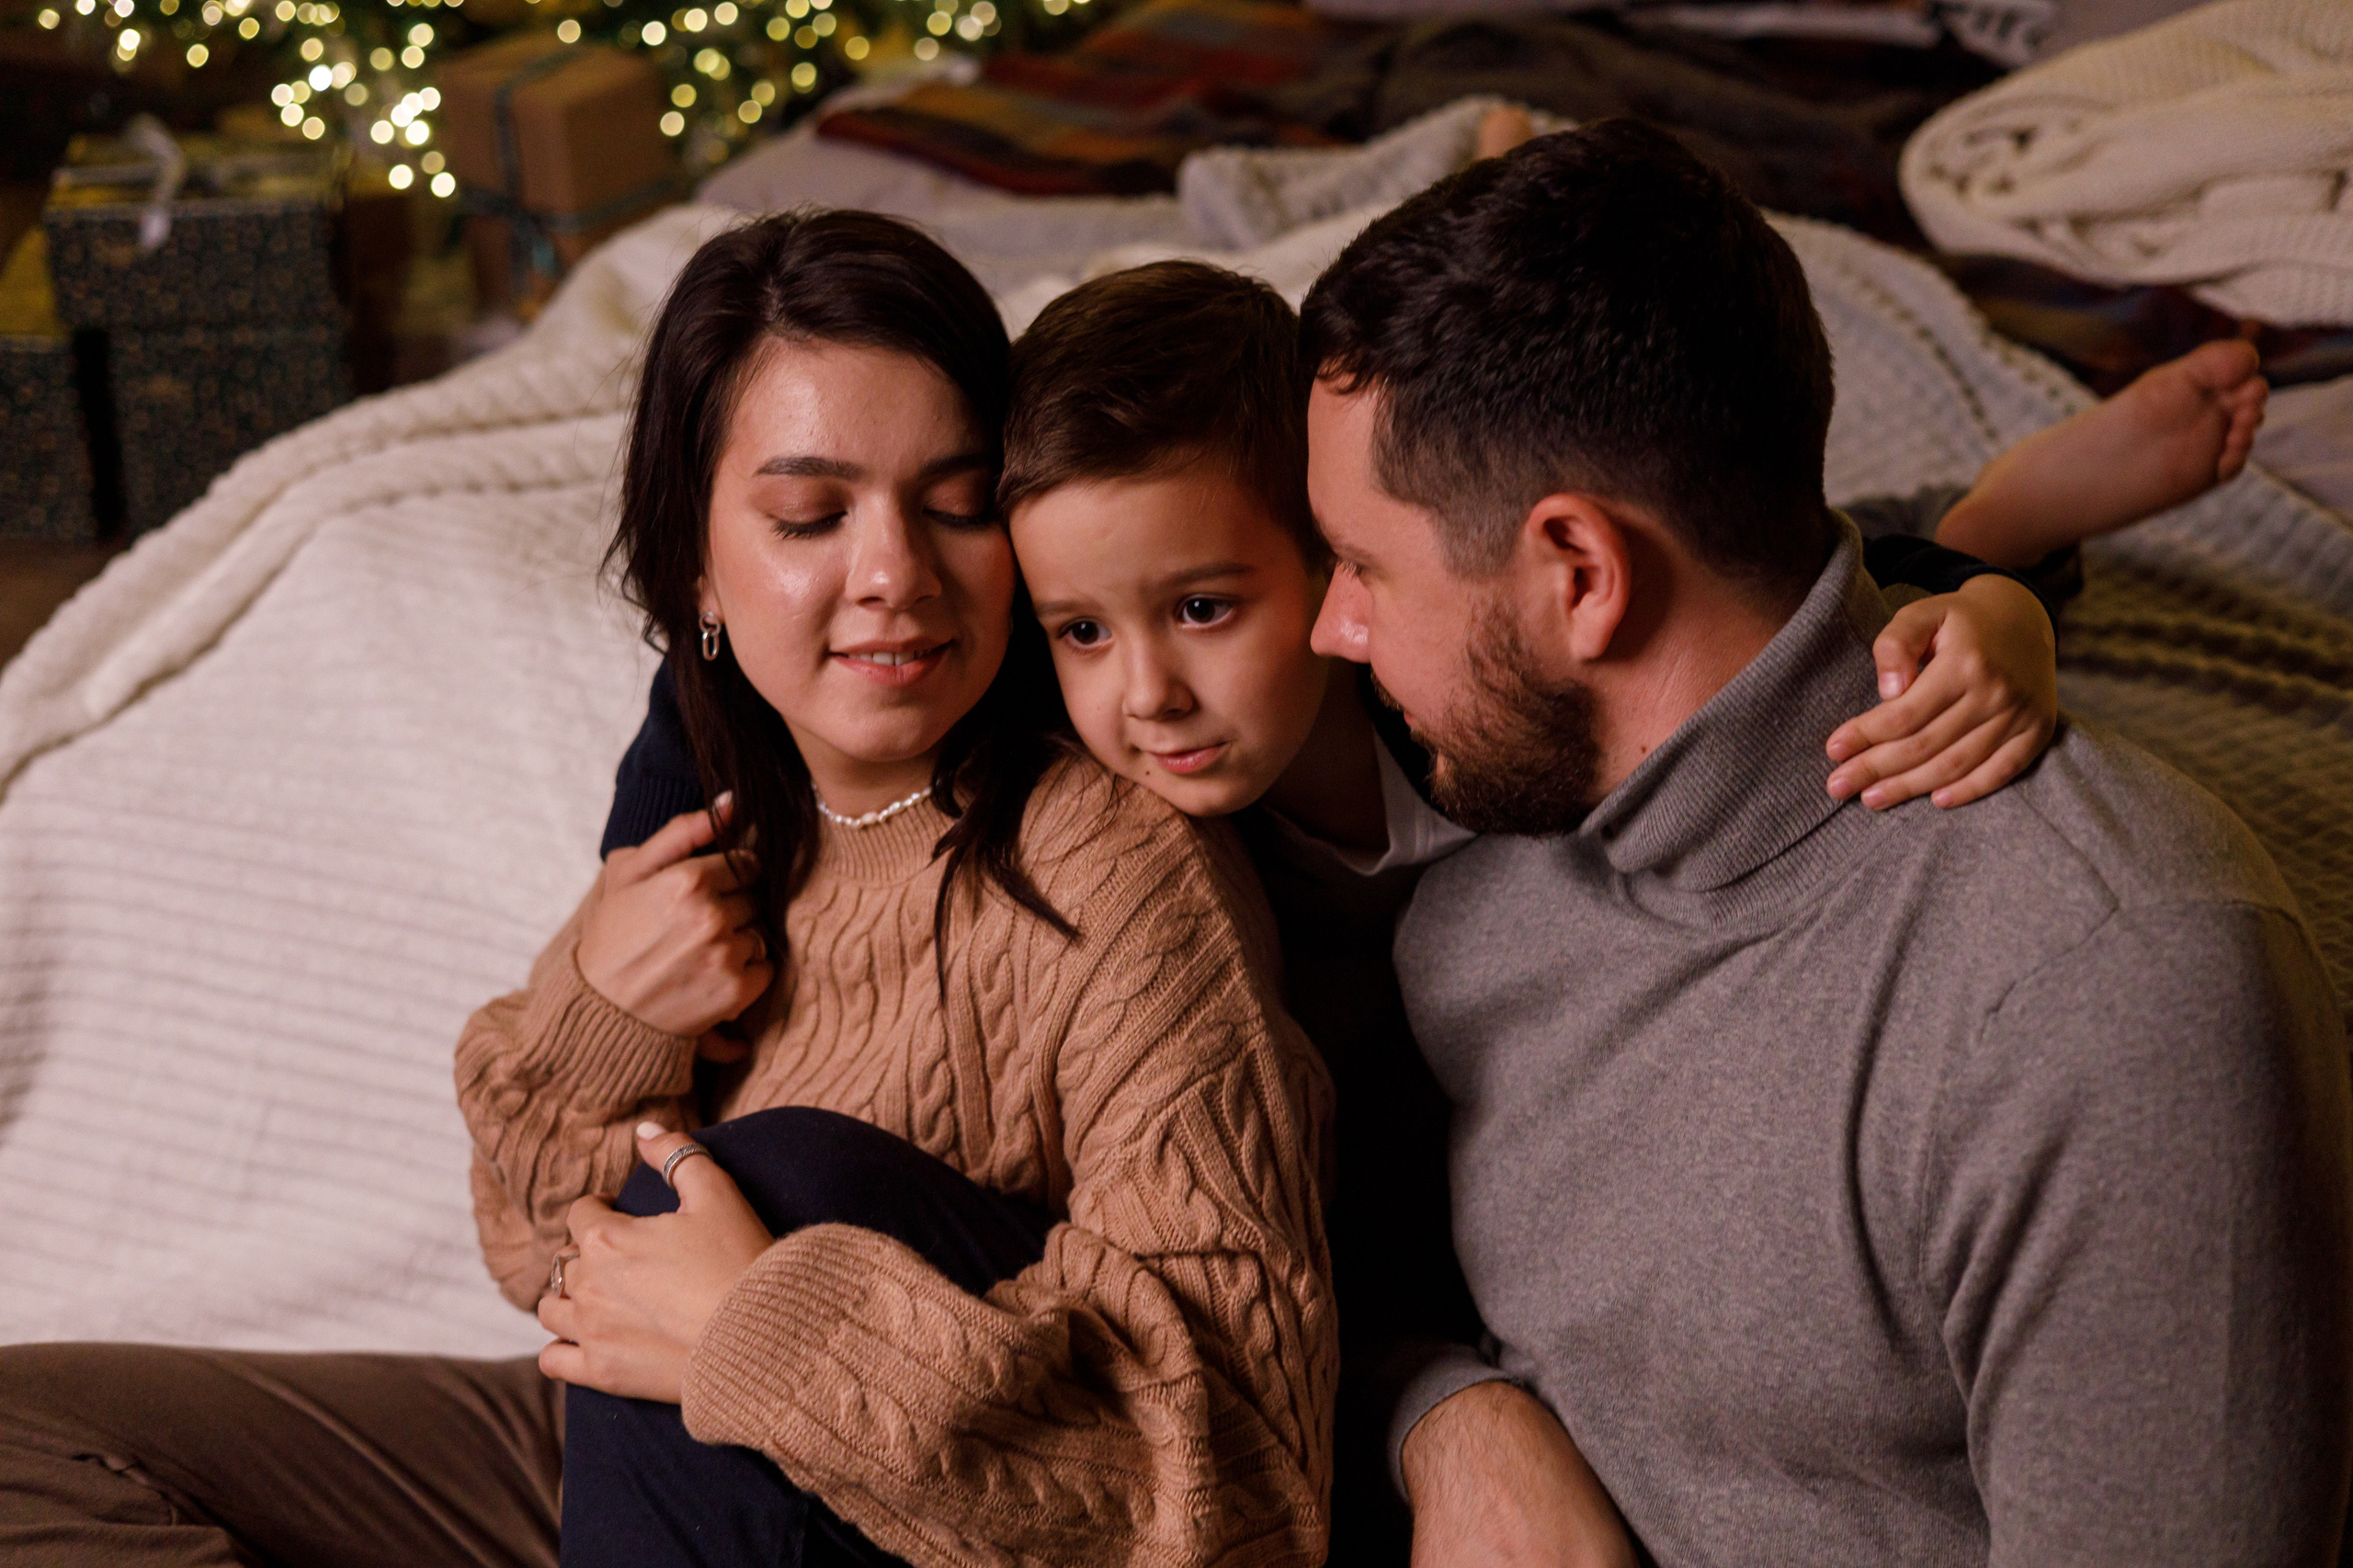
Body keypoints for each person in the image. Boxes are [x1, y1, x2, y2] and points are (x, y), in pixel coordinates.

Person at [599, 252, 2264, 1561]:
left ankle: (2002, 520)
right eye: (1083, 634)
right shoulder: (1074, 731)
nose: (1148, 696)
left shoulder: (1472, 719)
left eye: (1200, 608)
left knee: (1886, 623)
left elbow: (1735, 633)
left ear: (1334, 575)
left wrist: (1986, 607)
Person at [0, 211, 1337, 1568]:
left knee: (784, 1176)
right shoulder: (706, 817)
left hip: (899, 1509)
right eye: (810, 516)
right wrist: (602, 1019)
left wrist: (764, 1329)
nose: (894, 576)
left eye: (955, 502)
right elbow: (542, 1260)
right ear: (699, 565)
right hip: (605, 1450)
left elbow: (1248, 1485)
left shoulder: (1114, 871)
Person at [1295, 117, 2351, 1567]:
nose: (1327, 631)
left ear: (1578, 576)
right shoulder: (1477, 826)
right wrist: (1453, 1421)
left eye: (1363, 568)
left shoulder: (2114, 1009)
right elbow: (1317, 1268)